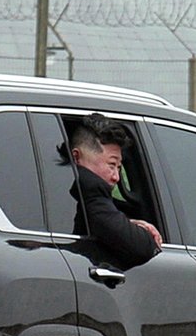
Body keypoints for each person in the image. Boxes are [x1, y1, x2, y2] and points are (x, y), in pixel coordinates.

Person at [68, 113, 161, 268]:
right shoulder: (91, 189)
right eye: (111, 165)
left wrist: (127, 224)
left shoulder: (67, 192)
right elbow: (139, 248)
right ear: (77, 158)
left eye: (119, 168)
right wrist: (147, 237)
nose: (116, 177)